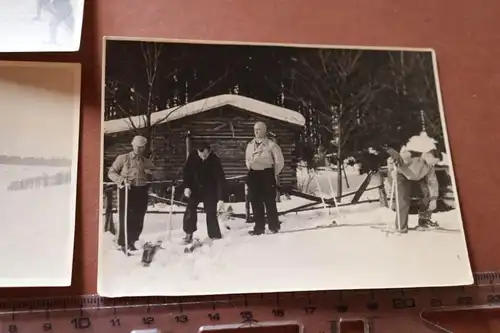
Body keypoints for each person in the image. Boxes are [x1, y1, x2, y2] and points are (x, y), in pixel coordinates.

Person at [108, 135, 155, 253]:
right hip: (127, 191)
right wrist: (121, 181)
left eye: (141, 147)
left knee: (139, 217)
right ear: (132, 145)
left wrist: (150, 175)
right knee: (126, 217)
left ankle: (133, 241)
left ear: (144, 148)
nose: (139, 149)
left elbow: (153, 175)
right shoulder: (123, 158)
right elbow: (111, 173)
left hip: (141, 191)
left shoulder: (147, 162)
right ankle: (123, 243)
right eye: (137, 147)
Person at [387, 144, 440, 233]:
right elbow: (392, 159)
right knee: (403, 199)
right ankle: (401, 227)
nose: (434, 164)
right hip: (401, 176)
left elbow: (432, 181)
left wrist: (434, 198)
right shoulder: (412, 156)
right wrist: (392, 170)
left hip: (416, 178)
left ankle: (424, 222)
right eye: (434, 161)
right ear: (428, 155)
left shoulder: (430, 166)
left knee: (427, 194)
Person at [182, 141, 226, 244]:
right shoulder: (192, 157)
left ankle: (214, 235)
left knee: (211, 211)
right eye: (201, 154)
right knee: (190, 209)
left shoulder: (215, 160)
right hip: (195, 188)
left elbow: (220, 179)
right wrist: (186, 187)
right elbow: (186, 173)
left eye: (205, 154)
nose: (203, 156)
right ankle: (189, 233)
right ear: (197, 152)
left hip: (209, 189)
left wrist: (220, 198)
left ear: (209, 151)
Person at [245, 121, 284, 235]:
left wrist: (272, 173)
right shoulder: (250, 145)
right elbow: (247, 159)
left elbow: (279, 162)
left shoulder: (271, 145)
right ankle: (259, 227)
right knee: (255, 201)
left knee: (269, 200)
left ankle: (274, 226)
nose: (256, 131)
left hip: (266, 174)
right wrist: (250, 166)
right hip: (254, 175)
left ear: (264, 131)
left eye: (259, 129)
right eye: (255, 129)